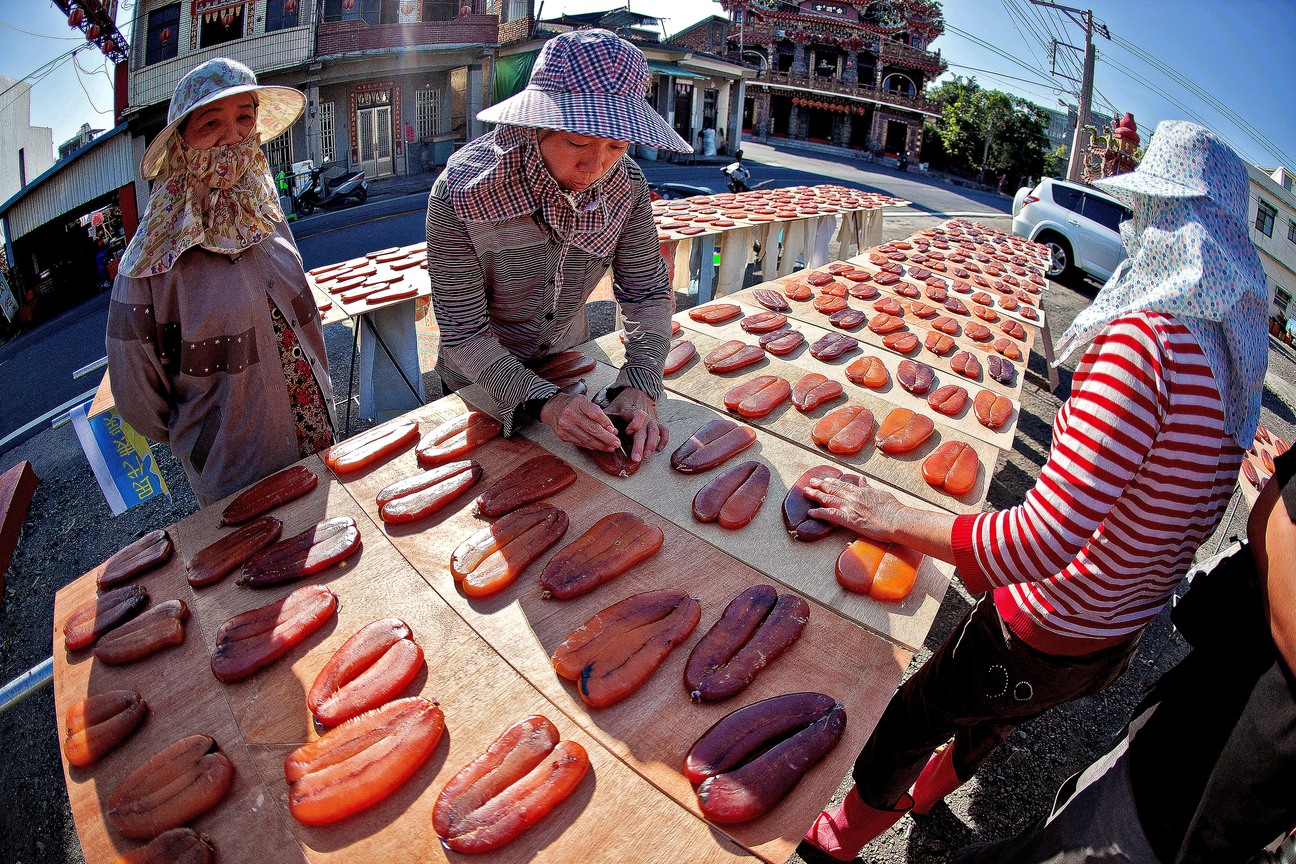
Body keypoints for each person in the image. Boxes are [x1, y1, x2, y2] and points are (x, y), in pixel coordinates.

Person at [796, 120, 1271, 861]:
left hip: (1046, 623)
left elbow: (1044, 538)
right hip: (1112, 637)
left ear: (1161, 223)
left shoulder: (1148, 342)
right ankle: (929, 796)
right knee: (994, 718)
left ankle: (838, 839)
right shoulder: (1225, 362)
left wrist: (891, 514)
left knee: (921, 710)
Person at [947, 442, 1295, 864]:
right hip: (1195, 770)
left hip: (1223, 786)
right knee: (1062, 829)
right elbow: (1278, 515)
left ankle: (920, 799)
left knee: (975, 724)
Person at [425, 29, 691, 462]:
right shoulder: (462, 194)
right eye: (576, 142)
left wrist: (640, 382)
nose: (595, 166)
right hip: (479, 382)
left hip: (568, 361)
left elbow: (646, 293)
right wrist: (542, 402)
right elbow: (464, 332)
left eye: (616, 146)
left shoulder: (626, 189)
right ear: (535, 127)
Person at [107, 58, 335, 507]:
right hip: (237, 481)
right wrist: (205, 441)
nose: (231, 137)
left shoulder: (268, 221)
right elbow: (138, 399)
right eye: (211, 123)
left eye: (243, 119)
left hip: (319, 440)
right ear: (181, 144)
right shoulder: (151, 262)